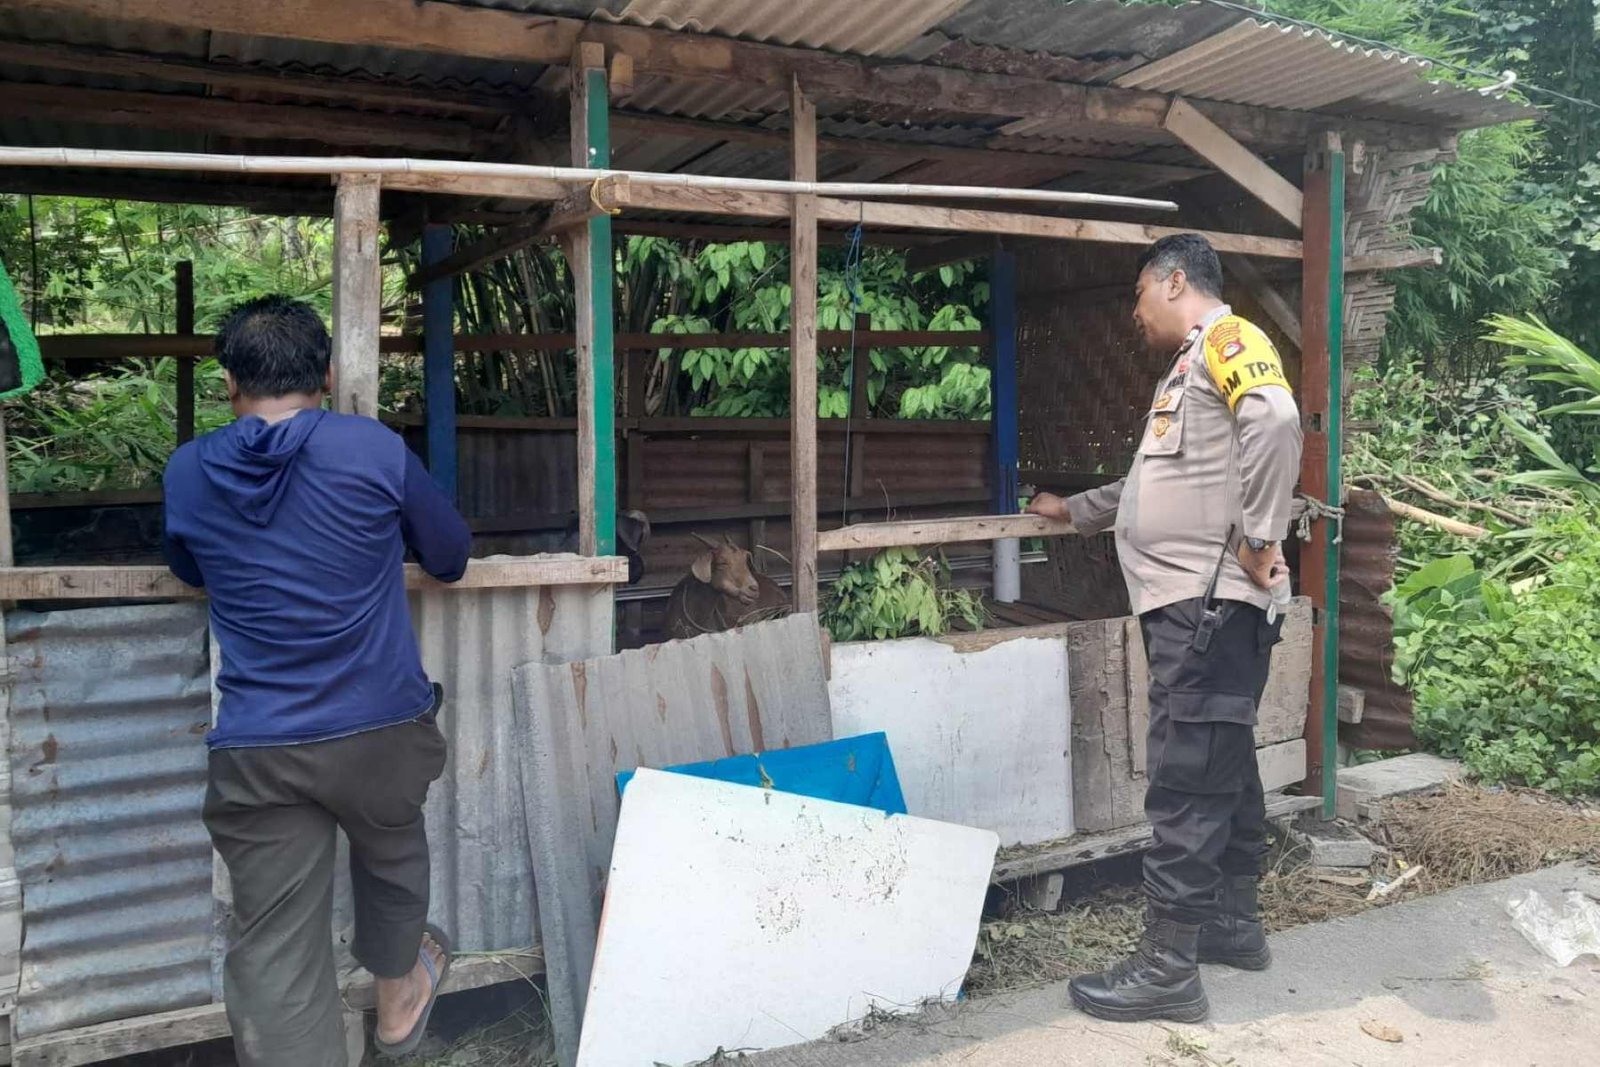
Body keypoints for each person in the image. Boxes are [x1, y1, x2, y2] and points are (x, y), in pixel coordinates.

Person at [162, 296, 473, 1064]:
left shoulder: (189, 470)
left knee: (274, 944)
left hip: (259, 748)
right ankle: (398, 1002)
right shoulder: (373, 450)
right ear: (328, 375)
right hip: (381, 730)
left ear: (229, 383)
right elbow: (449, 556)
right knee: (392, 851)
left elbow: (189, 567)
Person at [1027, 234, 1302, 1024]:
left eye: (1139, 295)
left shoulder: (1228, 339)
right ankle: (1232, 923)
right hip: (1197, 607)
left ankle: (1168, 966)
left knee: (1186, 777)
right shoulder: (1187, 370)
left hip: (1207, 605)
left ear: (1174, 281)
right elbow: (1151, 484)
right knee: (1223, 761)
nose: (1135, 313)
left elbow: (1278, 420)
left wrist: (1260, 537)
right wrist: (1074, 510)